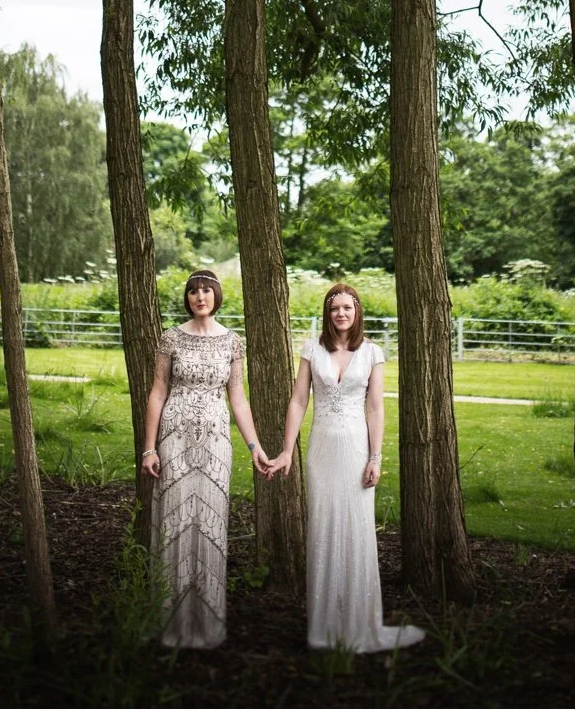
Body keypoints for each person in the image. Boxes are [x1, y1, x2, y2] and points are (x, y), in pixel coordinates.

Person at [266, 283, 425, 653]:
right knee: (323, 529)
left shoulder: (371, 352)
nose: (340, 313)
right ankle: (324, 626)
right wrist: (287, 450)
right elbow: (298, 401)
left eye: (347, 308)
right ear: (328, 313)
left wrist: (375, 457)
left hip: (356, 451)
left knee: (357, 531)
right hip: (321, 450)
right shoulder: (312, 349)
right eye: (334, 308)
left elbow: (375, 407)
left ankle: (357, 623)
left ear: (357, 312)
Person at [141, 270, 270, 648]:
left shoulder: (232, 341)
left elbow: (238, 398)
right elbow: (158, 392)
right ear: (188, 298)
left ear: (216, 296)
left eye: (206, 291)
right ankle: (170, 623)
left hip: (215, 442)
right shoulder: (170, 338)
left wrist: (255, 447)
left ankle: (206, 625)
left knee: (210, 524)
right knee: (175, 523)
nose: (200, 297)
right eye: (194, 292)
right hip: (175, 438)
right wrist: (149, 447)